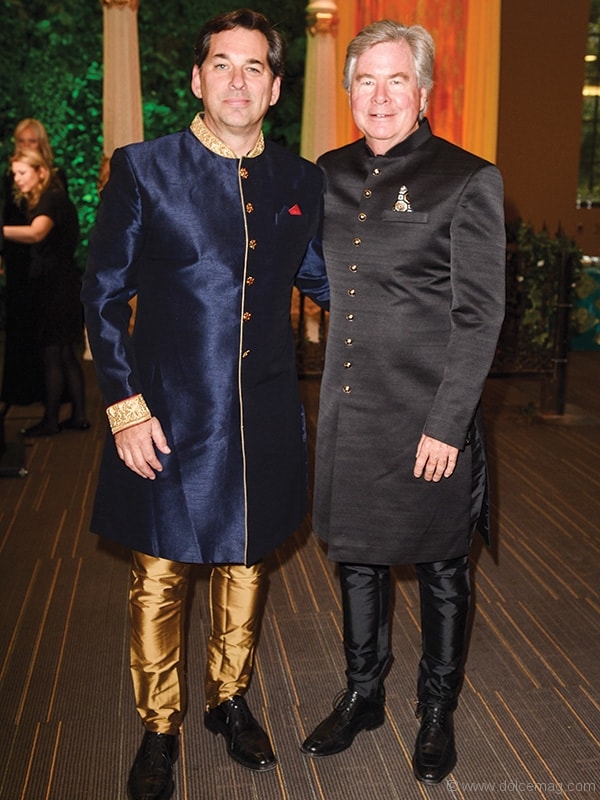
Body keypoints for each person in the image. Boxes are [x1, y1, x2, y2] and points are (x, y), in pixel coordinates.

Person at [81, 9, 328, 800]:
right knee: (161, 573)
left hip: (262, 416)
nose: (237, 80)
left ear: (276, 87)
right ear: (197, 78)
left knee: (245, 562)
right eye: (222, 64)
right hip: (168, 415)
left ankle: (229, 699)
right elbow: (102, 295)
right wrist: (126, 406)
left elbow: (326, 280)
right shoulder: (144, 168)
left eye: (255, 67)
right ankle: (159, 725)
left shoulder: (300, 180)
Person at [300, 20, 505, 786]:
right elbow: (316, 272)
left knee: (443, 566)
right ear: (349, 91)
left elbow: (480, 316)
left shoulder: (467, 179)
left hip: (429, 418)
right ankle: (363, 693)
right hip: (352, 411)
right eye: (366, 80)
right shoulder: (327, 173)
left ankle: (435, 708)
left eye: (396, 80)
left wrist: (448, 425)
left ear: (424, 92)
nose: (380, 96)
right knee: (357, 558)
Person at [2, 148, 88, 436]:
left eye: (22, 173)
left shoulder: (51, 199)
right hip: (59, 284)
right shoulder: (48, 198)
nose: (17, 179)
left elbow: (37, 232)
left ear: (40, 172)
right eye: (14, 174)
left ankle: (51, 420)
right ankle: (78, 415)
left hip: (57, 288)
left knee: (53, 353)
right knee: (63, 354)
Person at [0, 118, 62, 408]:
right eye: (21, 141)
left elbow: (40, 232)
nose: (26, 146)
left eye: (31, 141)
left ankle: (51, 402)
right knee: (21, 328)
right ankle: (23, 391)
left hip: (46, 266)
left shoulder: (52, 183)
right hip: (19, 262)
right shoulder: (12, 177)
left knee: (50, 341)